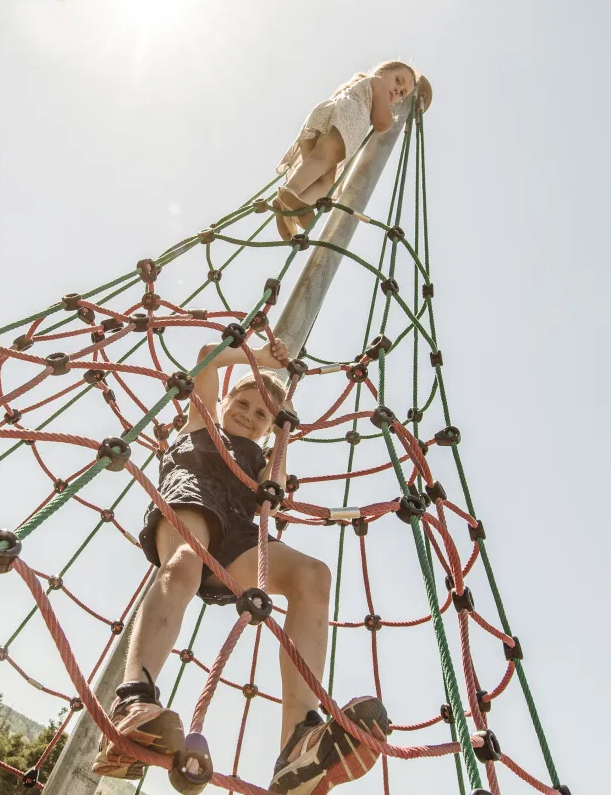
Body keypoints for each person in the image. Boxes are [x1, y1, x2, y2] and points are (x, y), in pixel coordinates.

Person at [93, 335, 390, 795]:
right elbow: (204, 359)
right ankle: (134, 700)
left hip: (236, 536)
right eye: (244, 403)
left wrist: (284, 429)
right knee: (187, 558)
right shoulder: (201, 422)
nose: (248, 416)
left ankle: (298, 745)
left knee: (314, 574)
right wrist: (256, 358)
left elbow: (275, 479)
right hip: (193, 501)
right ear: (227, 399)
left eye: (261, 416)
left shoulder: (265, 461)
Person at [274, 61, 432, 239]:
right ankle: (291, 190)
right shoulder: (377, 83)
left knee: (326, 183)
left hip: (330, 119)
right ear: (382, 72)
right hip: (345, 119)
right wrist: (391, 116)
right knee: (321, 159)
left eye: (402, 93)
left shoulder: (363, 90)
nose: (397, 91)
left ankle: (292, 207)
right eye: (398, 81)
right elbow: (382, 123)